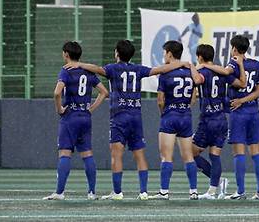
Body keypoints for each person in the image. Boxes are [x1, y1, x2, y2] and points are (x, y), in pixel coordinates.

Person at [65, 39, 189, 200]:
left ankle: (117, 192)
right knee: (140, 155)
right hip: (135, 116)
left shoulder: (112, 68)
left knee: (116, 155)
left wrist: (80, 64)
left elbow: (97, 69)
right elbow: (160, 69)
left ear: (117, 53)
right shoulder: (138, 69)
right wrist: (182, 64)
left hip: (119, 117)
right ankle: (143, 192)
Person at [201, 34, 259, 199]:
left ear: (234, 48)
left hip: (238, 113)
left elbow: (226, 73)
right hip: (254, 112)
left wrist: (206, 65)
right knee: (255, 152)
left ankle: (240, 191)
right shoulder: (257, 65)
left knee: (238, 153)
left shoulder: (233, 63)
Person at [43, 41, 109, 200]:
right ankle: (92, 192)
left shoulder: (66, 71)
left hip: (70, 116)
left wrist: (59, 109)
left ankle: (59, 193)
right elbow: (104, 92)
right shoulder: (87, 71)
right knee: (87, 154)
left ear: (66, 54)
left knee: (65, 153)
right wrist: (91, 108)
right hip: (85, 117)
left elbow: (57, 93)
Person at [151, 40, 205, 200]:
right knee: (188, 156)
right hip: (185, 115)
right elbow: (194, 97)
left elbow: (160, 100)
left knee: (166, 156)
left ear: (169, 53)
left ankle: (164, 191)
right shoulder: (190, 71)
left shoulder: (165, 72)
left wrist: (164, 113)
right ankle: (193, 191)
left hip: (170, 115)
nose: (163, 56)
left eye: (164, 53)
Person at [191, 44, 236, 199]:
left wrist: (192, 67)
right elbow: (239, 83)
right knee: (215, 155)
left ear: (200, 57)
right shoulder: (222, 72)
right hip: (221, 118)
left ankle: (216, 183)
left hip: (207, 119)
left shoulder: (202, 71)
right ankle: (213, 189)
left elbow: (197, 80)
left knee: (190, 153)